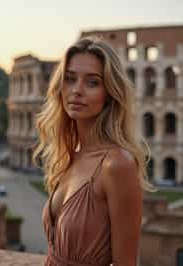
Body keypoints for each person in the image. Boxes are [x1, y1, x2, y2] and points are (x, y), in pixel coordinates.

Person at [33, 36, 156, 266]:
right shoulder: (71, 155)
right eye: (70, 79)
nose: (77, 91)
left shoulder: (117, 164)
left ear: (109, 93)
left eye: (92, 82)